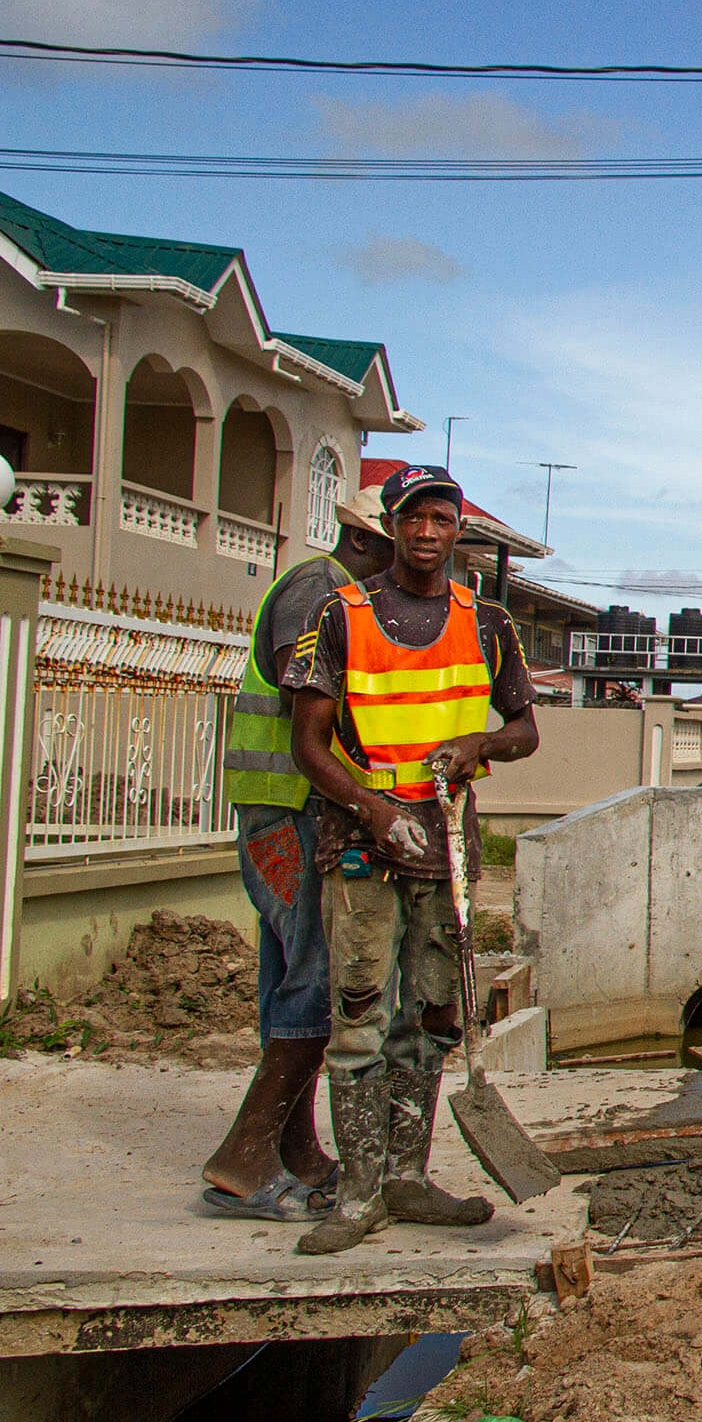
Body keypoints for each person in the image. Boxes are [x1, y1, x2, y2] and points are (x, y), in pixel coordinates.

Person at [281, 466, 540, 1255]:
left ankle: (408, 1176)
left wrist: (480, 744)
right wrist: (371, 808)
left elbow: (524, 730)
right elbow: (307, 744)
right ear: (390, 526)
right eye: (413, 518)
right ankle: (358, 1193)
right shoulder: (342, 614)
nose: (427, 532)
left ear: (457, 529)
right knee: (359, 1011)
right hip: (362, 835)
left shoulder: (488, 622)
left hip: (448, 835)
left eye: (441, 519)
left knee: (431, 1013)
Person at [200, 488, 395, 1221]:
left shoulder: (337, 596)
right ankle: (242, 1157)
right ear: (372, 542)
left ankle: (292, 1146)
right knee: (316, 974)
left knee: (292, 971)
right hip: (286, 810)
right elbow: (306, 693)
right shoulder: (318, 592)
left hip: (299, 809)